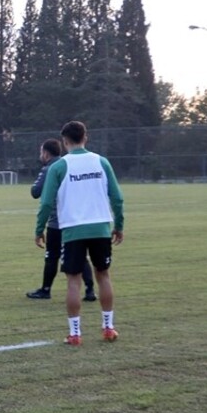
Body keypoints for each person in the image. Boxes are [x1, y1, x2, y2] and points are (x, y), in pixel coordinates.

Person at [35, 120, 124, 345]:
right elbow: (117, 197)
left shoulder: (58, 166)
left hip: (72, 229)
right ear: (86, 137)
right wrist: (119, 225)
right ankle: (108, 328)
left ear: (64, 141)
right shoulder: (101, 162)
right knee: (103, 275)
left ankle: (75, 334)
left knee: (73, 281)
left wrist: (39, 229)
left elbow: (46, 203)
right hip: (100, 227)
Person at [28, 138, 95, 302]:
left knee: (52, 255)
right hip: (77, 218)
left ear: (45, 153)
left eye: (41, 152)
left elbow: (35, 192)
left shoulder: (50, 169)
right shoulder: (71, 164)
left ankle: (45, 289)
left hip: (57, 220)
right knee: (80, 255)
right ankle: (90, 290)